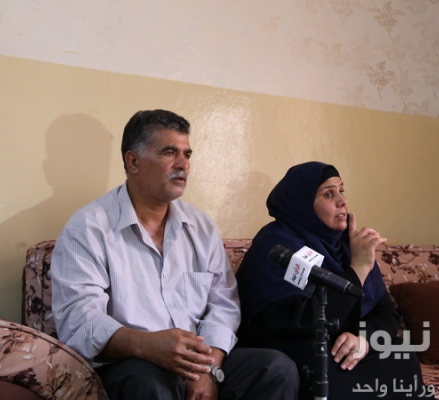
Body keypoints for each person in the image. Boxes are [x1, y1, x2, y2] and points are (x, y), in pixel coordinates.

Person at [51, 109, 299, 400]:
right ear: (133, 161)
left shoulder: (201, 226)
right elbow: (79, 318)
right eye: (170, 153)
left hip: (199, 359)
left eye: (187, 154)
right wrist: (148, 345)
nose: (183, 165)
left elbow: (223, 304)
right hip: (133, 361)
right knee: (148, 382)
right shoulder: (89, 226)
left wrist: (208, 369)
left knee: (276, 368)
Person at [235, 161, 424, 400]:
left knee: (400, 353)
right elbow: (301, 320)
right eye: (328, 194)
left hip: (339, 348)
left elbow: (387, 314)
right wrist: (358, 269)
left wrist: (362, 339)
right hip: (291, 349)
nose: (342, 201)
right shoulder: (277, 246)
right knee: (325, 365)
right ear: (303, 204)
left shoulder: (346, 247)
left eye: (341, 191)